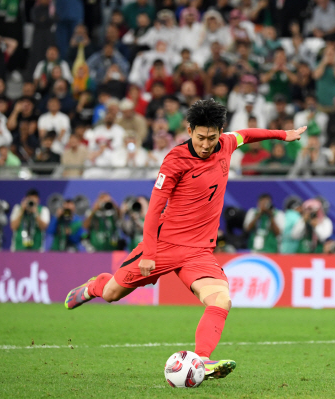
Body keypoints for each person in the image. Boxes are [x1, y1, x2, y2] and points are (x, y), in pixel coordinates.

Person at [64, 99, 306, 380]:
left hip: (199, 251)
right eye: (200, 137)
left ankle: (202, 361)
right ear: (190, 130)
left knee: (221, 298)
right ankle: (94, 285)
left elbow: (248, 134)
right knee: (111, 294)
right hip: (165, 244)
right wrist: (150, 253)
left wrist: (282, 135)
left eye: (212, 138)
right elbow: (155, 207)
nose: (206, 144)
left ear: (220, 132)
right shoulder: (175, 160)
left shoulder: (226, 143)